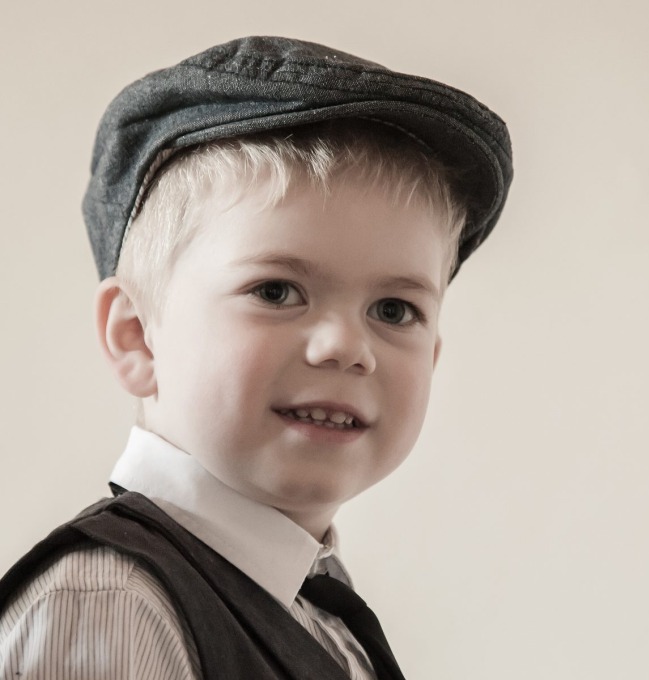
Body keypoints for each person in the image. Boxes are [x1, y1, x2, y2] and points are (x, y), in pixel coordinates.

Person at [0, 36, 512, 679]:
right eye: (276, 291)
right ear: (137, 336)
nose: (346, 347)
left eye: (393, 310)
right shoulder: (114, 605)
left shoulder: (320, 612)